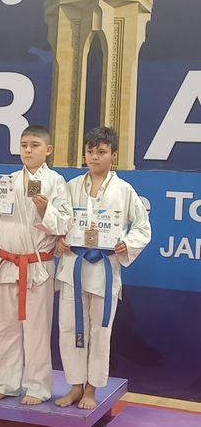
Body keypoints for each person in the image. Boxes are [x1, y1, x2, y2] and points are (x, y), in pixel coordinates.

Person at [0, 125, 73, 405]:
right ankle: (5, 383)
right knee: (3, 327)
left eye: (34, 145)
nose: (28, 150)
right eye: (24, 145)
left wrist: (45, 210)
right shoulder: (8, 181)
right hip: (7, 262)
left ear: (48, 150)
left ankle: (37, 387)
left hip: (37, 265)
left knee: (36, 330)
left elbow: (65, 224)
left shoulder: (56, 182)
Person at [54, 126, 151, 410]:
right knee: (69, 328)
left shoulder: (125, 190)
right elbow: (59, 221)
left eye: (101, 151)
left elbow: (142, 228)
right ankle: (75, 385)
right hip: (73, 267)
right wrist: (58, 239)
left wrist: (126, 243)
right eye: (90, 151)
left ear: (113, 155)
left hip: (104, 270)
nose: (94, 157)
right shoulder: (71, 187)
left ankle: (91, 389)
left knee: (100, 332)